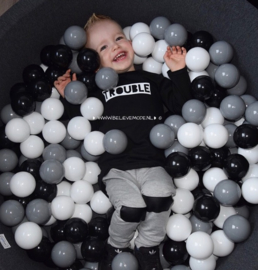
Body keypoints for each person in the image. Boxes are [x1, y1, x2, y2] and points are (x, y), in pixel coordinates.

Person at [55, 14, 191, 270]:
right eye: (103, 47)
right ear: (94, 64)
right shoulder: (96, 92)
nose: (115, 46)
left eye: (119, 38)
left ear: (132, 42)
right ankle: (116, 244)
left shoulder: (152, 79)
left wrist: (178, 70)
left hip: (153, 162)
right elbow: (84, 126)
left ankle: (148, 245)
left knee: (161, 199)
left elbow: (183, 106)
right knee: (131, 208)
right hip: (117, 167)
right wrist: (69, 98)